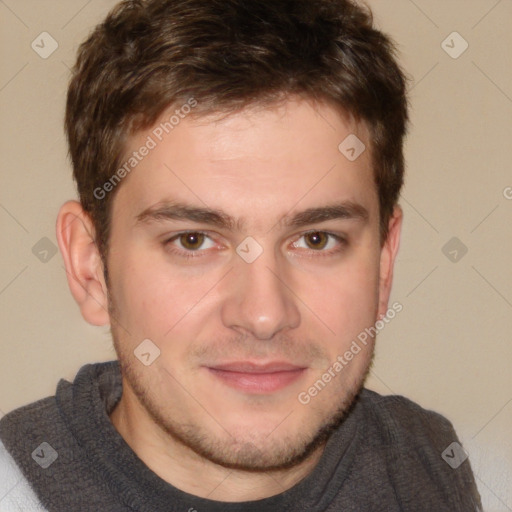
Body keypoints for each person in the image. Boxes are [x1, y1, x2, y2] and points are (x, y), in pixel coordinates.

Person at [0, 0, 482, 510]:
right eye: (193, 241)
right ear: (90, 267)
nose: (264, 315)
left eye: (317, 239)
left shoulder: (432, 461)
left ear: (383, 264)